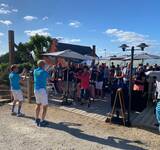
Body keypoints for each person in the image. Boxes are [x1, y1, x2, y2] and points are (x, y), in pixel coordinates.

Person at [34, 60, 50, 127]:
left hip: (36, 89)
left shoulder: (35, 71)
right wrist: (53, 72)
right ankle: (42, 121)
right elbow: (51, 78)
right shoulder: (44, 72)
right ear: (43, 65)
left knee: (38, 104)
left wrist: (46, 69)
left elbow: (41, 74)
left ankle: (36, 119)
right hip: (42, 90)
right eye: (45, 64)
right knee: (45, 106)